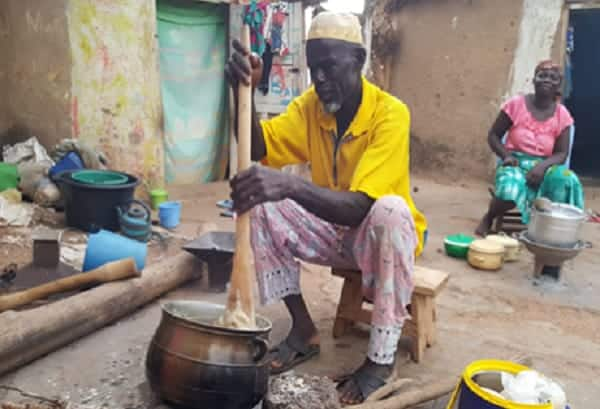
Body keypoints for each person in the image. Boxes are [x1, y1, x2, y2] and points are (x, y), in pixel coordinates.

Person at [225, 11, 427, 405]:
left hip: (378, 235)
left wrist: (291, 183)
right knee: (259, 201)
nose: (319, 79)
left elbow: (360, 208)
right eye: (314, 68)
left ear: (359, 60)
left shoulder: (390, 114)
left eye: (330, 66)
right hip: (332, 231)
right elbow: (258, 147)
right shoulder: (309, 108)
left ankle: (381, 362)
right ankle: (303, 331)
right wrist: (241, 92)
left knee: (390, 211)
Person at [476, 60, 584, 236]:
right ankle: (489, 217)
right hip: (515, 163)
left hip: (545, 165)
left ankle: (553, 228)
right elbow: (493, 135)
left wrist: (542, 167)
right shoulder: (516, 105)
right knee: (510, 187)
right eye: (542, 75)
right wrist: (506, 156)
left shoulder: (561, 114)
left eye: (553, 77)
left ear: (559, 85)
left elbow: (561, 153)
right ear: (534, 80)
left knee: (567, 179)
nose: (547, 80)